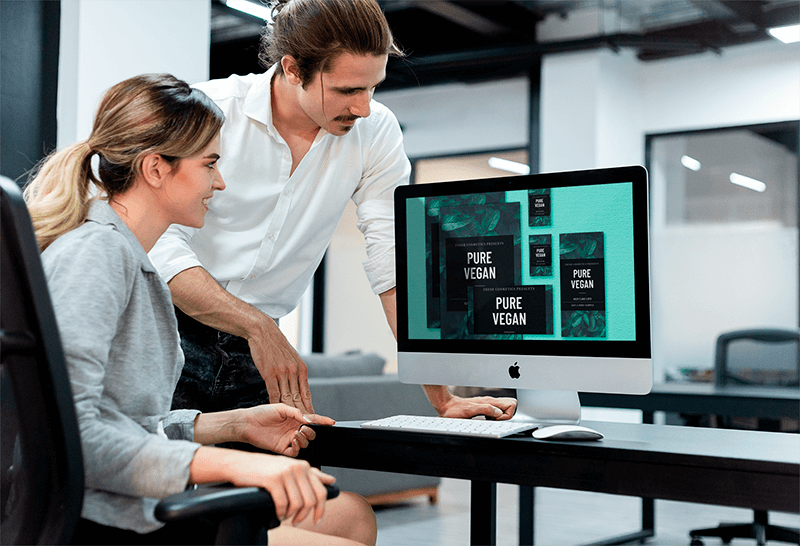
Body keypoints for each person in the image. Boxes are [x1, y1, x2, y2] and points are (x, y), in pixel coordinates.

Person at [23, 73, 376, 546]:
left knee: (351, 516)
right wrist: (233, 462)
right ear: (155, 169)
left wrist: (237, 426)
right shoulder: (97, 255)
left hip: (128, 507)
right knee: (347, 529)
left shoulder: (129, 259)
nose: (221, 180)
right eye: (209, 163)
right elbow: (69, 437)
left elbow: (127, 426)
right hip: (107, 523)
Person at [148, 0, 517, 421]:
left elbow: (392, 263)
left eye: (372, 87)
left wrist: (442, 396)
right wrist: (256, 326)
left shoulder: (375, 133)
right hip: (166, 328)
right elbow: (158, 243)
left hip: (260, 349)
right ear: (292, 69)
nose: (363, 107)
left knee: (295, 484)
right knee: (153, 476)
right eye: (347, 90)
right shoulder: (210, 112)